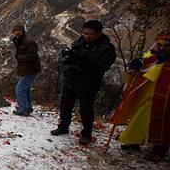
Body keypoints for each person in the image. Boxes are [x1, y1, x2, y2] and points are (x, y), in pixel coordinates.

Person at [51, 20, 116, 145]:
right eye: (84, 33)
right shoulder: (80, 41)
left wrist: (86, 59)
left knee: (86, 110)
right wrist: (69, 57)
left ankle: (86, 134)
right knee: (65, 106)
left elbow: (103, 67)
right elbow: (72, 56)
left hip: (88, 84)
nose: (87, 36)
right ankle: (63, 127)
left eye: (90, 34)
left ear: (98, 33)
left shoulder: (106, 48)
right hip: (71, 79)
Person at [115, 29, 170, 161]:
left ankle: (160, 149)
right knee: (141, 115)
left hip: (165, 95)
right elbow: (145, 68)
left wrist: (161, 64)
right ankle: (134, 140)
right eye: (160, 44)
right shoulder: (154, 54)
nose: (162, 48)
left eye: (166, 45)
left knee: (164, 120)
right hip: (149, 91)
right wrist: (136, 66)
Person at [11, 24, 41, 116]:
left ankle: (23, 109)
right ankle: (27, 107)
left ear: (22, 31)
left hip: (30, 70)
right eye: (14, 31)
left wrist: (19, 57)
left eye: (18, 30)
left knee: (19, 89)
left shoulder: (29, 41)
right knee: (25, 89)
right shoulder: (19, 40)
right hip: (26, 69)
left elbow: (32, 56)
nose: (16, 32)